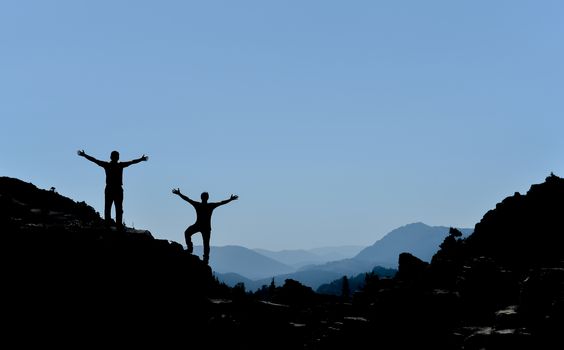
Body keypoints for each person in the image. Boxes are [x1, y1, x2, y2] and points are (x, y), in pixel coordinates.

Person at [78, 149, 148, 230]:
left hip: (111, 189)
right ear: (117, 157)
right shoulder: (119, 165)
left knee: (110, 208)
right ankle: (117, 226)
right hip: (116, 189)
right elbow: (132, 162)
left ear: (111, 157)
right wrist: (141, 159)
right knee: (117, 208)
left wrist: (84, 155)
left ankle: (110, 226)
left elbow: (94, 160)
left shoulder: (108, 165)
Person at [172, 188, 238, 264]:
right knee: (205, 243)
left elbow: (187, 199)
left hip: (199, 225)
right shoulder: (210, 206)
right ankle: (205, 258)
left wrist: (179, 194)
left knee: (188, 233)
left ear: (201, 197)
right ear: (207, 198)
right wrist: (230, 199)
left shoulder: (198, 205)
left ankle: (190, 249)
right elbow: (221, 202)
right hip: (205, 227)